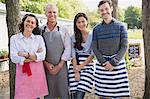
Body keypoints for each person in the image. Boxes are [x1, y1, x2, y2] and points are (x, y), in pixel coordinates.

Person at [92, 0, 130, 98]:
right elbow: (94, 47)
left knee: (118, 95)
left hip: (117, 65)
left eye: (106, 9)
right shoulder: (96, 29)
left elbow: (124, 46)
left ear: (111, 9)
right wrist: (104, 62)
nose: (104, 12)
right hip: (102, 66)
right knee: (103, 95)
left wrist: (113, 62)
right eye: (101, 10)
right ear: (99, 12)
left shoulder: (121, 26)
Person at [10, 14, 48, 99]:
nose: (30, 24)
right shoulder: (14, 38)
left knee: (36, 96)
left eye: (32, 22)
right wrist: (34, 56)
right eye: (28, 21)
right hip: (22, 74)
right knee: (22, 95)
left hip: (36, 74)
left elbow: (43, 56)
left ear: (35, 25)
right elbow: (14, 58)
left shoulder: (39, 38)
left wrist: (26, 55)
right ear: (23, 22)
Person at [40, 4, 71, 99]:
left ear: (57, 13)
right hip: (46, 68)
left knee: (64, 94)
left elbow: (68, 48)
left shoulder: (64, 29)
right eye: (49, 12)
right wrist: (46, 64)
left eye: (54, 12)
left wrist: (59, 66)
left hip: (61, 68)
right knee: (48, 95)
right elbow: (38, 50)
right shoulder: (40, 30)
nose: (52, 14)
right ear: (45, 13)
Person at [68, 12, 94, 99]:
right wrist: (76, 71)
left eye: (83, 21)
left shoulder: (93, 35)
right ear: (75, 24)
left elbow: (92, 54)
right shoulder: (73, 37)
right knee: (74, 94)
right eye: (78, 22)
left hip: (87, 66)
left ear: (87, 22)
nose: (81, 24)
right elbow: (73, 54)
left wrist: (81, 67)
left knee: (79, 94)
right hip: (74, 65)